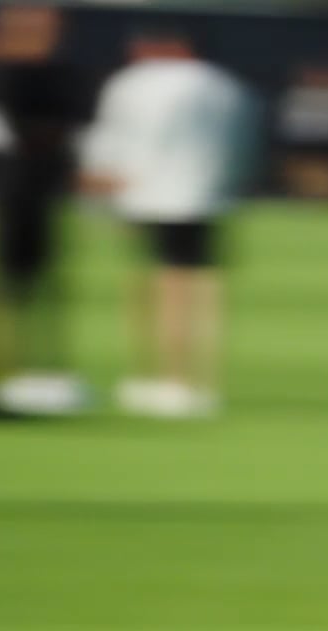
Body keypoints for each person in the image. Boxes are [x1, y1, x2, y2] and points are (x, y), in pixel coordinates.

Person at [81, 25, 252, 419]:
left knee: (154, 282)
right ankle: (199, 380)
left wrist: (101, 189)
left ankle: (159, 376)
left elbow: (112, 138)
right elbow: (243, 143)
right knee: (202, 284)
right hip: (207, 194)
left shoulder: (133, 82)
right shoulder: (224, 85)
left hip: (146, 195)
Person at [0, 4, 88, 416]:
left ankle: (44, 368)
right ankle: (2, 367)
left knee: (45, 283)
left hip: (42, 191)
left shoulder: (60, 74)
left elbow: (75, 121)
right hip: (9, 191)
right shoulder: (0, 74)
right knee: (7, 283)